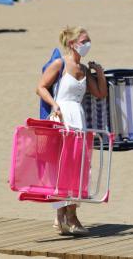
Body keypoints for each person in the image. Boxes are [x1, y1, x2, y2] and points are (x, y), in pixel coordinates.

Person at [35, 26, 107, 235]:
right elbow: (40, 87)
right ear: (72, 43)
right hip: (62, 117)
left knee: (79, 167)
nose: (87, 44)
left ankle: (71, 216)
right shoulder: (59, 64)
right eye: (84, 41)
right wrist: (54, 105)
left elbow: (100, 93)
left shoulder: (83, 69)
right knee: (60, 167)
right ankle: (62, 217)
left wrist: (100, 74)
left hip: (79, 118)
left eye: (88, 40)